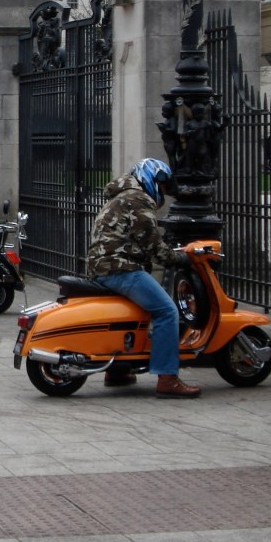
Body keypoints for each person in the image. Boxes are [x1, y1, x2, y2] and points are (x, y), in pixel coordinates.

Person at [87, 158, 201, 398]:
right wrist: (181, 258)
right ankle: (167, 378)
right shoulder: (137, 200)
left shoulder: (121, 197)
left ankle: (118, 371)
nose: (162, 192)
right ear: (151, 178)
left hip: (104, 267)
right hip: (121, 269)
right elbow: (153, 246)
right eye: (162, 186)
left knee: (131, 315)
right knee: (167, 311)